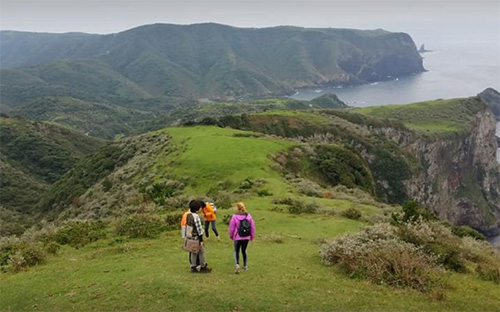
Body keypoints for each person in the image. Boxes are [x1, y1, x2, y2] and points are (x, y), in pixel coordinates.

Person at [229, 202, 255, 274]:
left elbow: (231, 228)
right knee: (244, 250)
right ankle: (245, 265)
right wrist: (252, 236)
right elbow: (252, 227)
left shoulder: (234, 216)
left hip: (238, 237)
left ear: (237, 208)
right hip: (246, 237)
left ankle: (237, 264)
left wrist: (231, 236)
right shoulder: (249, 216)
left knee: (236, 251)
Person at [185, 200, 211, 273]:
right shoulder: (196, 217)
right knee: (202, 251)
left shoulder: (188, 215)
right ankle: (203, 267)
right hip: (196, 237)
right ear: (197, 208)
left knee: (193, 252)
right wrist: (201, 240)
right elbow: (199, 229)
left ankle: (193, 267)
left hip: (191, 236)